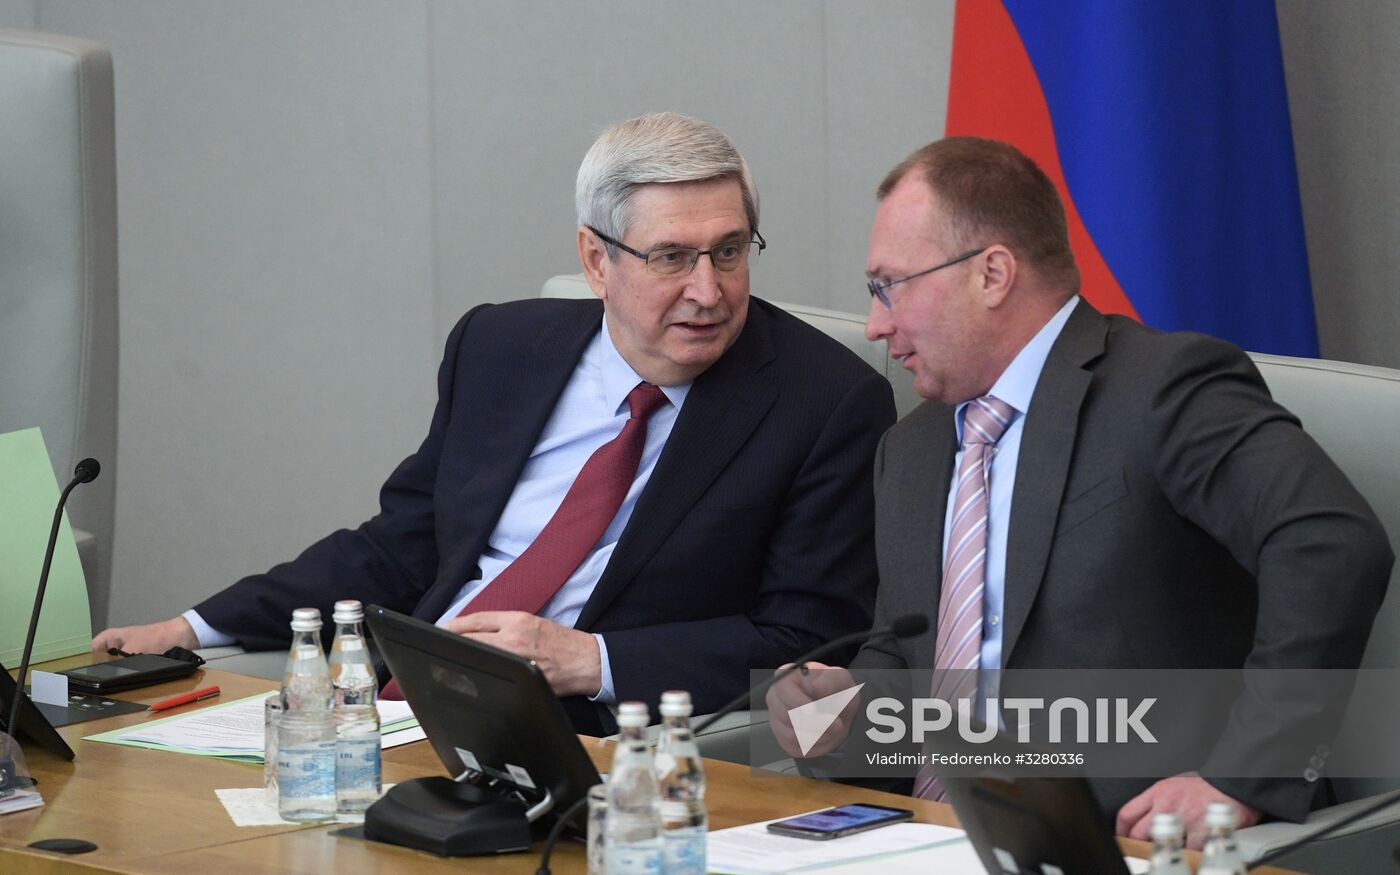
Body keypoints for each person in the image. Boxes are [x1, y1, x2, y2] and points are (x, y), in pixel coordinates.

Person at [95, 112, 896, 735]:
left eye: (728, 252)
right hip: (397, 701)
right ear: (595, 259)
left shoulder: (824, 403)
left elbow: (812, 636)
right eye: (671, 257)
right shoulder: (501, 346)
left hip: (590, 733)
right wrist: (191, 625)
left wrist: (592, 659)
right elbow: (401, 545)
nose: (708, 290)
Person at [767, 136, 1392, 847]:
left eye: (890, 285)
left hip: (1126, 837)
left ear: (993, 273)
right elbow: (908, 658)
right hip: (926, 839)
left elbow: (1332, 542)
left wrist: (1240, 778)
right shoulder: (909, 450)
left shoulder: (1165, 388)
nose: (877, 324)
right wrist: (835, 714)